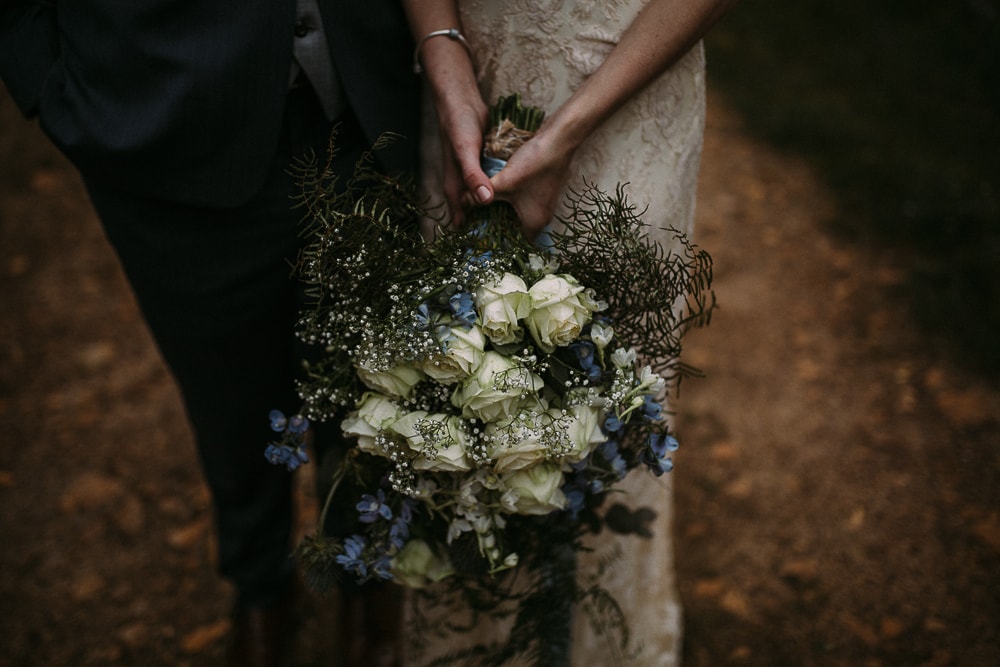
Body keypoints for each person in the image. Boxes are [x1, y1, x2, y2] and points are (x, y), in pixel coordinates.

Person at [0, 2, 419, 666]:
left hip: (370, 94)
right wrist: (45, 89)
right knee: (227, 396)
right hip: (159, 118)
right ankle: (260, 587)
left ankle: (367, 581)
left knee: (377, 380)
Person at [403, 0, 737, 664]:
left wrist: (565, 134)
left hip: (627, 87)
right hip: (470, 80)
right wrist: (443, 53)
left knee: (611, 404)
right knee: (452, 393)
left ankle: (598, 643)